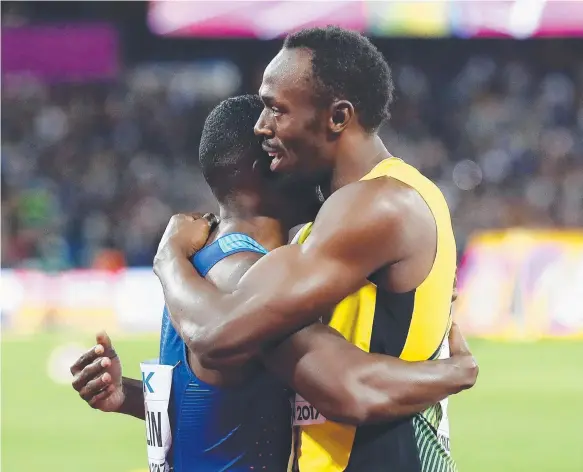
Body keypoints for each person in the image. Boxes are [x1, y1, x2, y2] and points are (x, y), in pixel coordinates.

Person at [72, 95, 476, 471]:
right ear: (262, 167)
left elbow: (214, 399)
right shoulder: (242, 273)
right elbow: (347, 385)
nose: (312, 164)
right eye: (288, 149)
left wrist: (129, 396)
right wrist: (454, 372)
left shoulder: (203, 259)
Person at [154, 27, 466, 472]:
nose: (261, 126)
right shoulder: (327, 224)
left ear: (337, 117)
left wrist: (168, 259)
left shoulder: (382, 204)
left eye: (275, 109)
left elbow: (215, 337)